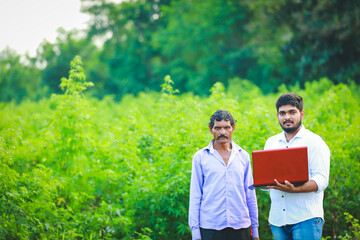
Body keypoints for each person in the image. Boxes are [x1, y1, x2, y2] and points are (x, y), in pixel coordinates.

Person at [264, 93, 330, 240]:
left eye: (292, 112)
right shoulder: (271, 143)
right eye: (282, 113)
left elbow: (321, 179)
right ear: (277, 116)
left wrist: (295, 189)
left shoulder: (314, 142)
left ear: (302, 114)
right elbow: (266, 176)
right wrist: (262, 183)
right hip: (277, 220)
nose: (287, 117)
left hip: (306, 218)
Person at [188, 110, 259, 240]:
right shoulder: (200, 157)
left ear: (233, 128)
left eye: (226, 127)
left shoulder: (243, 156)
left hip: (240, 225)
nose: (222, 132)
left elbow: (250, 195)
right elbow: (195, 196)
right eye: (218, 128)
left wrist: (255, 230)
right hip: (210, 227)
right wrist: (196, 233)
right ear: (211, 129)